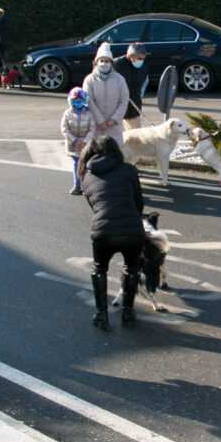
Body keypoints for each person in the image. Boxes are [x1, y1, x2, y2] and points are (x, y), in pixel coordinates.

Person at [76, 136, 145, 330]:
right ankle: (128, 313)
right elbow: (139, 201)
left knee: (99, 268)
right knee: (132, 268)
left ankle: (101, 314)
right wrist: (134, 220)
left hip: (103, 230)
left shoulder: (86, 175)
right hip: (132, 229)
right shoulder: (128, 170)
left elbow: (94, 205)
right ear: (116, 150)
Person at [82, 43, 129, 145]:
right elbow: (88, 101)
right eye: (101, 61)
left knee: (113, 154)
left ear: (111, 63)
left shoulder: (120, 80)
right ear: (96, 63)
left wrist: (113, 120)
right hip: (95, 126)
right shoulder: (89, 79)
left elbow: (124, 102)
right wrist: (100, 121)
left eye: (107, 61)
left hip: (114, 127)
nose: (104, 63)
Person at [61, 87, 95, 195]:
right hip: (73, 144)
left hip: (86, 144)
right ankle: (77, 184)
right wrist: (75, 140)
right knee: (76, 164)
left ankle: (86, 185)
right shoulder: (67, 113)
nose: (78, 102)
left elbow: (92, 129)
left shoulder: (89, 114)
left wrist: (85, 141)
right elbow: (64, 129)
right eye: (75, 100)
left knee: (86, 164)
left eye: (80, 100)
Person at [114, 42, 149, 131]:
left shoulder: (143, 68)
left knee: (136, 136)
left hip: (134, 108)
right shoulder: (116, 64)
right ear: (131, 56)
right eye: (139, 58)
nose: (141, 61)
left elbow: (145, 82)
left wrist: (140, 95)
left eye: (143, 59)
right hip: (117, 108)